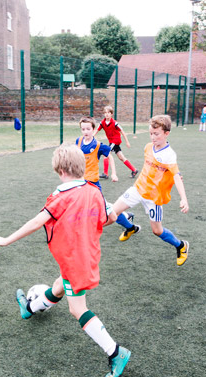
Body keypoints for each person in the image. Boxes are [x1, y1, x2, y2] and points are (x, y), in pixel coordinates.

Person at [0, 143, 131, 377]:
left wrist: (7, 239)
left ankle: (116, 352)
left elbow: (37, 222)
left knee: (77, 309)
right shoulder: (94, 190)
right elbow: (112, 217)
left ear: (60, 170)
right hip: (87, 254)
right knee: (59, 285)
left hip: (75, 260)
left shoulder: (60, 196)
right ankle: (30, 308)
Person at [111, 115, 190, 266]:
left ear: (166, 133)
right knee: (113, 213)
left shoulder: (169, 155)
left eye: (156, 134)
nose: (153, 137)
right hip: (137, 189)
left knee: (157, 231)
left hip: (154, 198)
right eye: (151, 134)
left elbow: (177, 176)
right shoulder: (148, 147)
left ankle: (181, 245)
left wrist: (184, 198)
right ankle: (131, 227)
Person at [77, 116, 137, 234]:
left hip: (93, 184)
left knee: (107, 210)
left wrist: (113, 173)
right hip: (80, 182)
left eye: (88, 129)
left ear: (94, 129)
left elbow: (110, 157)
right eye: (83, 129)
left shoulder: (99, 145)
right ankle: (125, 216)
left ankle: (130, 227)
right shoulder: (78, 141)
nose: (85, 132)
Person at [97, 106, 138, 179]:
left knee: (106, 153)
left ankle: (105, 174)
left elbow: (122, 131)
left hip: (115, 141)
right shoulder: (102, 122)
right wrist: (91, 136)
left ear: (111, 114)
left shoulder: (115, 123)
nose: (107, 114)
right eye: (105, 113)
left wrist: (127, 142)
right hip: (112, 142)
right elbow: (97, 130)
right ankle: (134, 170)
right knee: (121, 157)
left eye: (108, 113)